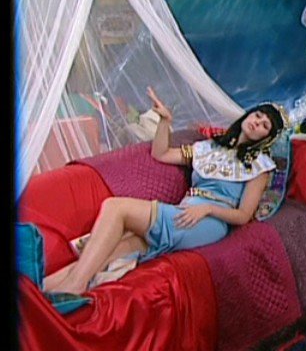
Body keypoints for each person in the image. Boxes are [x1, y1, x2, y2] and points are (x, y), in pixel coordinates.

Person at [44, 87, 287, 295]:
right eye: (257, 115)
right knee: (108, 252)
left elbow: (243, 215)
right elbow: (161, 154)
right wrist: (165, 121)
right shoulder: (210, 148)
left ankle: (75, 286)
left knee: (115, 207)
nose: (257, 122)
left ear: (266, 137)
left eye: (264, 125)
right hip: (183, 210)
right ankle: (40, 293)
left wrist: (207, 209)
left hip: (208, 221)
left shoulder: (259, 166)